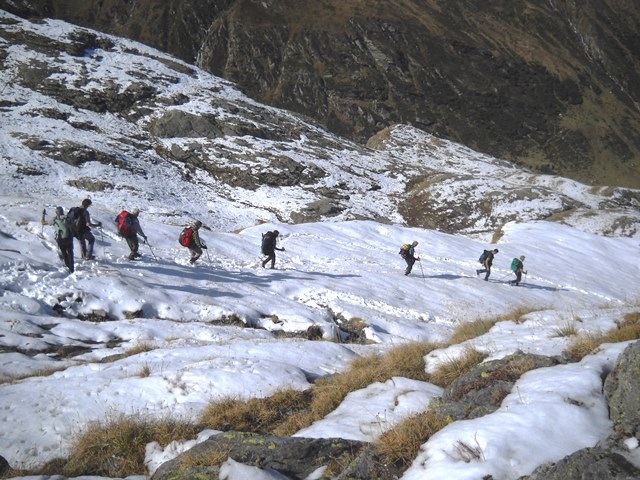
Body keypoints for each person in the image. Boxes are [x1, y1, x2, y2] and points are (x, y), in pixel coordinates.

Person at [42, 206, 74, 273]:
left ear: (56, 212)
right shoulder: (67, 218)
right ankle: (71, 268)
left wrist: (43, 215)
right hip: (68, 238)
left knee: (64, 253)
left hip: (60, 239)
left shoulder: (53, 220)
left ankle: (68, 266)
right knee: (70, 253)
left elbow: (43, 223)